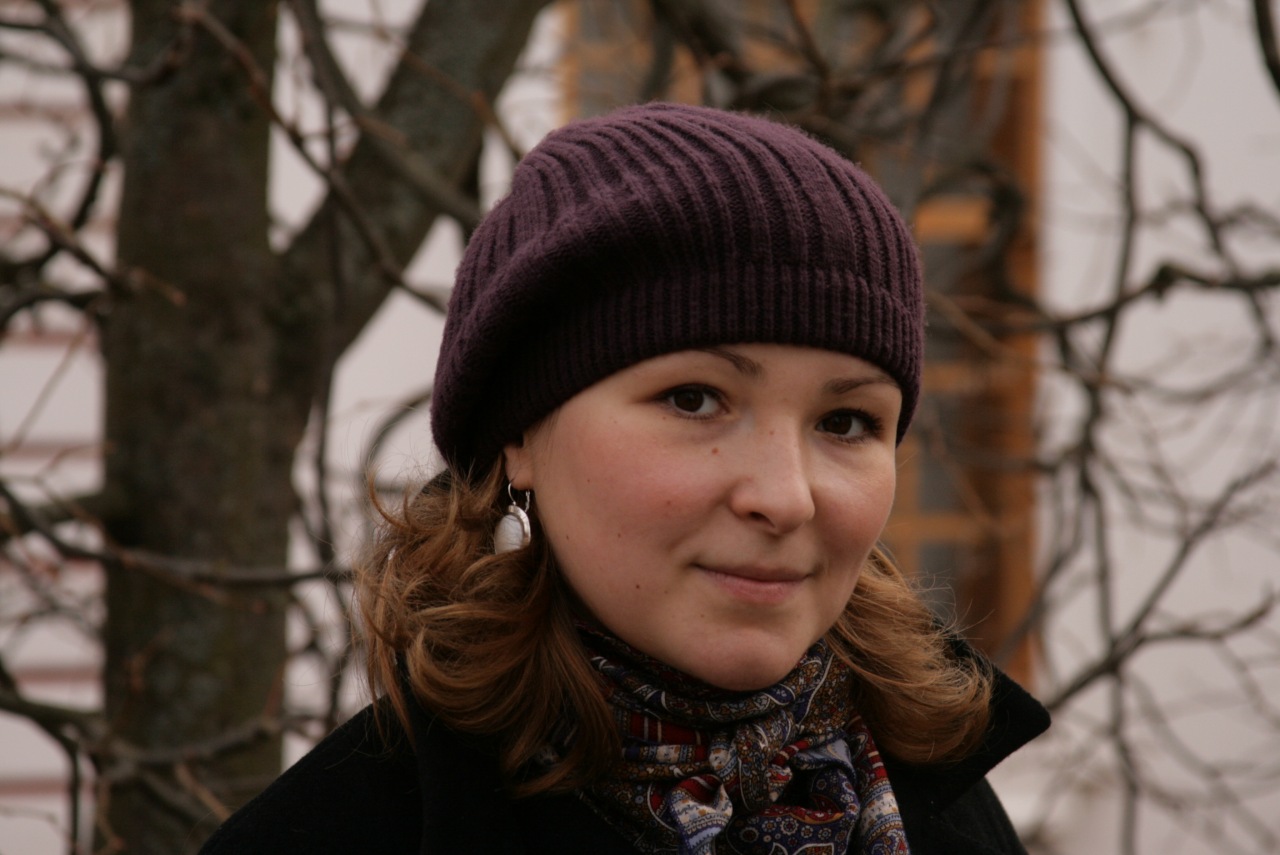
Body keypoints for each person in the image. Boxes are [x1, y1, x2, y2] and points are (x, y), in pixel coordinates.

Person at [200, 102, 1049, 855]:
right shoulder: (344, 832)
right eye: (694, 399)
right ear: (519, 435)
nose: (785, 497)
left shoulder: (947, 805)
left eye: (845, 421)